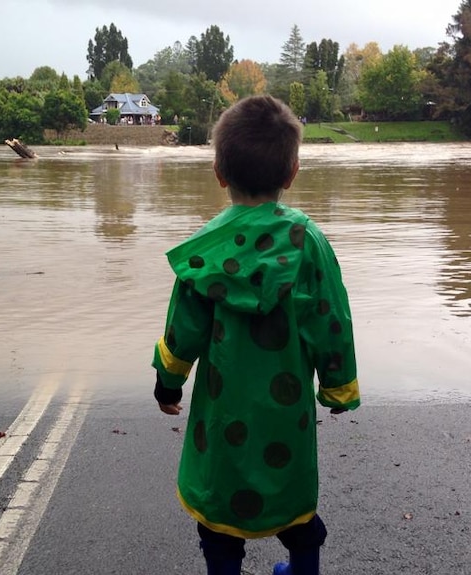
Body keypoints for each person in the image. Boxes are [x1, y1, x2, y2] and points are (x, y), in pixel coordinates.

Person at [151, 94, 360, 575]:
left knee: (220, 519)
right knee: (294, 504)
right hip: (287, 415)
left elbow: (182, 331)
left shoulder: (205, 249)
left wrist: (168, 383)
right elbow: (332, 319)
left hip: (223, 414)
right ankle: (302, 570)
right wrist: (337, 386)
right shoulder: (309, 243)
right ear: (292, 172)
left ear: (219, 173)